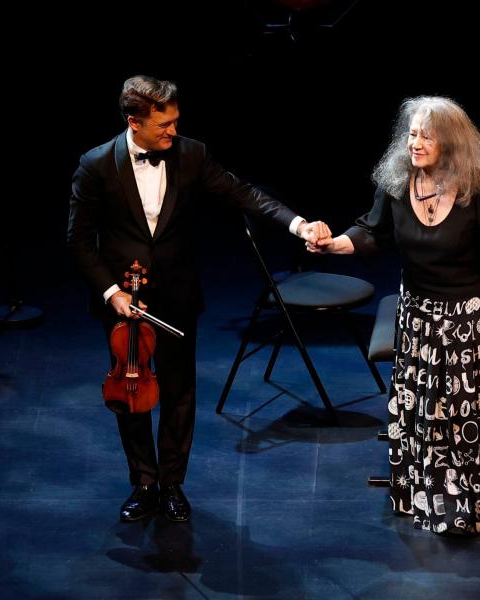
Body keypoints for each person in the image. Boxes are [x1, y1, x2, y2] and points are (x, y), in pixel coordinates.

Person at [308, 96, 480, 534]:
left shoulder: (478, 189)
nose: (414, 143)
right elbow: (369, 233)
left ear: (449, 143)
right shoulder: (398, 183)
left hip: (471, 322)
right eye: (412, 134)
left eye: (425, 136)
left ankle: (476, 502)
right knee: (429, 416)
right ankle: (431, 499)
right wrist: (331, 243)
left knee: (467, 418)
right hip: (419, 318)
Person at [67, 75, 330, 523]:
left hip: (176, 292)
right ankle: (143, 482)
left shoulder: (191, 154)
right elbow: (78, 240)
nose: (172, 132)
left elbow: (243, 194)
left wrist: (300, 225)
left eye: (175, 122)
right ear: (134, 122)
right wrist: (111, 292)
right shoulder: (95, 165)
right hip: (123, 298)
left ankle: (172, 483)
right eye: (163, 125)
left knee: (178, 392)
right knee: (130, 390)